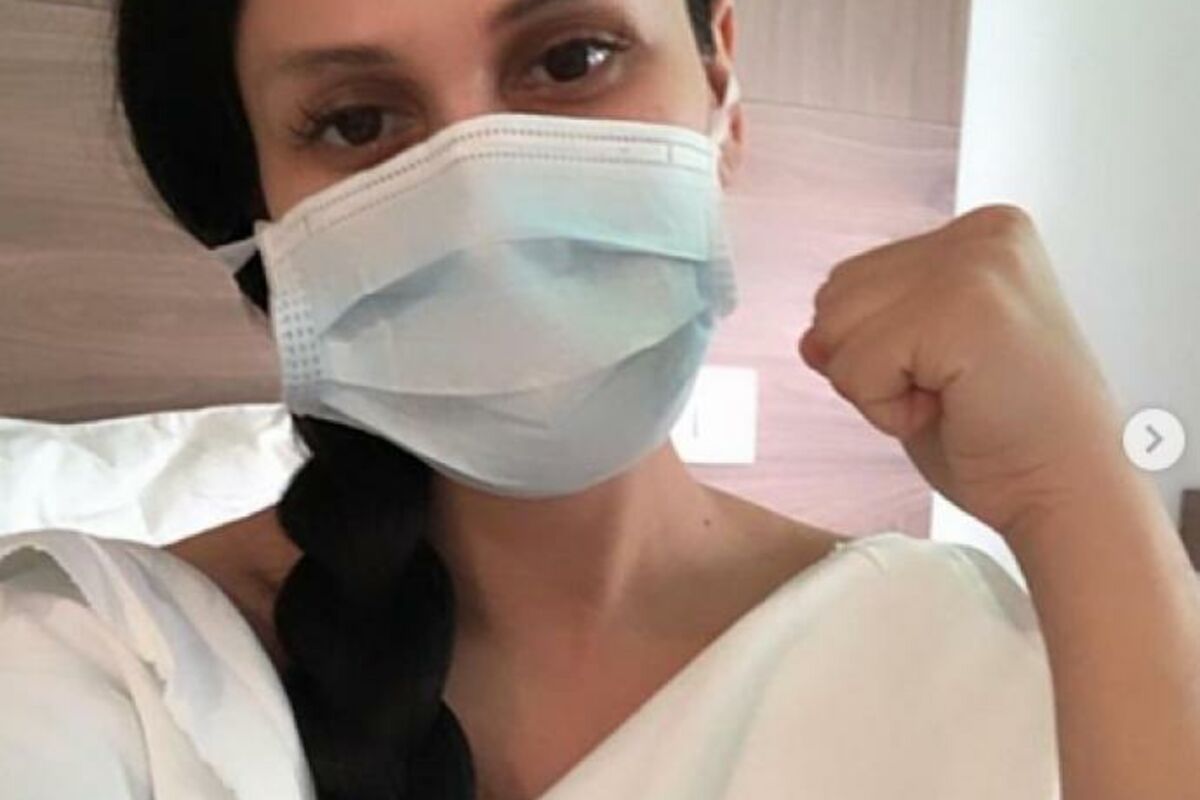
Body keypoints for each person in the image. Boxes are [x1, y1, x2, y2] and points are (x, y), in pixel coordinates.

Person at [1, 1, 1197, 798]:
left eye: (570, 58)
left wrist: (1079, 494)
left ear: (721, 85)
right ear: (266, 223)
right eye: (358, 122)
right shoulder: (102, 668)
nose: (484, 201)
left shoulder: (999, 663)